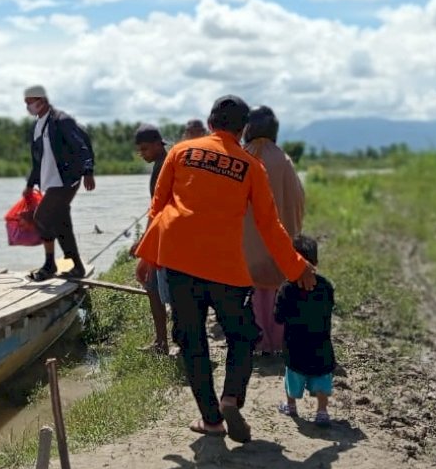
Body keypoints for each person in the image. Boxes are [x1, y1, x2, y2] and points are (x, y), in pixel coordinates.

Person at [134, 95, 316, 443]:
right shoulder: (251, 166)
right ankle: (231, 397)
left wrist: (148, 257)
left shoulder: (180, 152)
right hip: (227, 267)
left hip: (179, 260)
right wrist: (298, 267)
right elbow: (270, 225)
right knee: (243, 334)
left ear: (210, 122)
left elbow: (159, 208)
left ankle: (211, 420)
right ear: (242, 129)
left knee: (192, 340)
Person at [242, 105, 305, 354]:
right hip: (278, 237)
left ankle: (258, 341)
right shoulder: (283, 160)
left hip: (247, 242)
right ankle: (279, 341)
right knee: (278, 290)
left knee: (254, 293)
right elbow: (297, 198)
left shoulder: (241, 157)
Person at [23, 85, 95, 280]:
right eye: (26, 104)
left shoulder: (61, 120)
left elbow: (80, 147)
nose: (28, 107)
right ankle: (76, 266)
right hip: (51, 180)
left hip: (67, 179)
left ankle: (50, 265)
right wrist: (30, 185)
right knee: (60, 220)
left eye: (30, 102)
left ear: (42, 101)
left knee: (42, 217)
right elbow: (37, 161)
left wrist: (88, 171)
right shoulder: (36, 127)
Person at [274, 234, 335, 426]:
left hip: (295, 344)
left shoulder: (286, 288)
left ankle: (291, 406)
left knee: (293, 375)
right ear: (315, 262)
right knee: (322, 376)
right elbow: (329, 308)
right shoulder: (326, 286)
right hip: (321, 342)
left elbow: (278, 317)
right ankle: (322, 411)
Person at [132, 124, 170, 354]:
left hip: (165, 237)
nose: (142, 154)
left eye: (145, 149)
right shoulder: (161, 163)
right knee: (152, 285)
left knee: (154, 286)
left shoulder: (165, 165)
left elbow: (159, 210)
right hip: (161, 235)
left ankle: (163, 342)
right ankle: (161, 341)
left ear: (158, 144)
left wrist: (144, 242)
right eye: (140, 150)